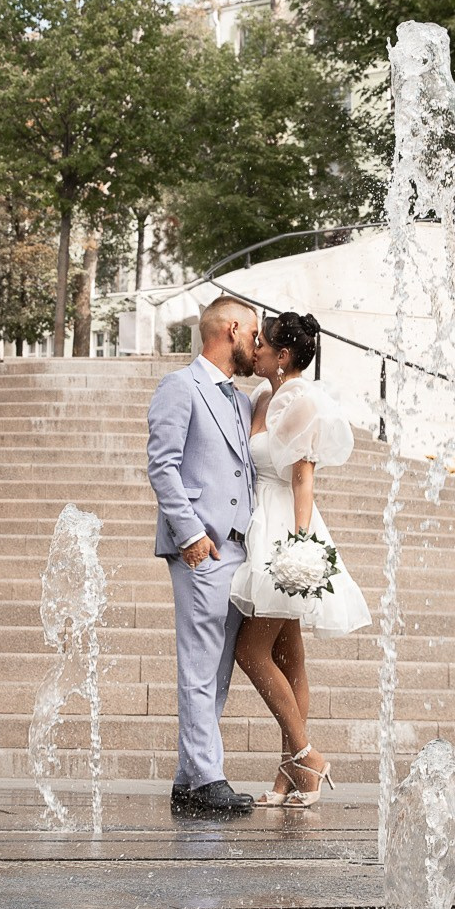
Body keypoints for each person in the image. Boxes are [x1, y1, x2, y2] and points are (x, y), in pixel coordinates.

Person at [229, 311, 370, 808]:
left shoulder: (304, 400)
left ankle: (307, 755)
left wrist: (302, 544)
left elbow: (303, 477)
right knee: (289, 657)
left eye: (262, 342)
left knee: (251, 651)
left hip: (284, 525)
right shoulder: (263, 396)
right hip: (258, 519)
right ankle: (296, 781)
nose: (256, 348)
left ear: (282, 355)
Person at [146, 295, 259, 819]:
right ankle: (209, 776)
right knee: (197, 667)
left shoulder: (239, 401)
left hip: (239, 551)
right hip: (201, 550)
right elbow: (162, 465)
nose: (256, 345)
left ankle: (189, 782)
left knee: (215, 673)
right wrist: (190, 533)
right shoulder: (180, 386)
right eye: (253, 335)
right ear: (230, 329)